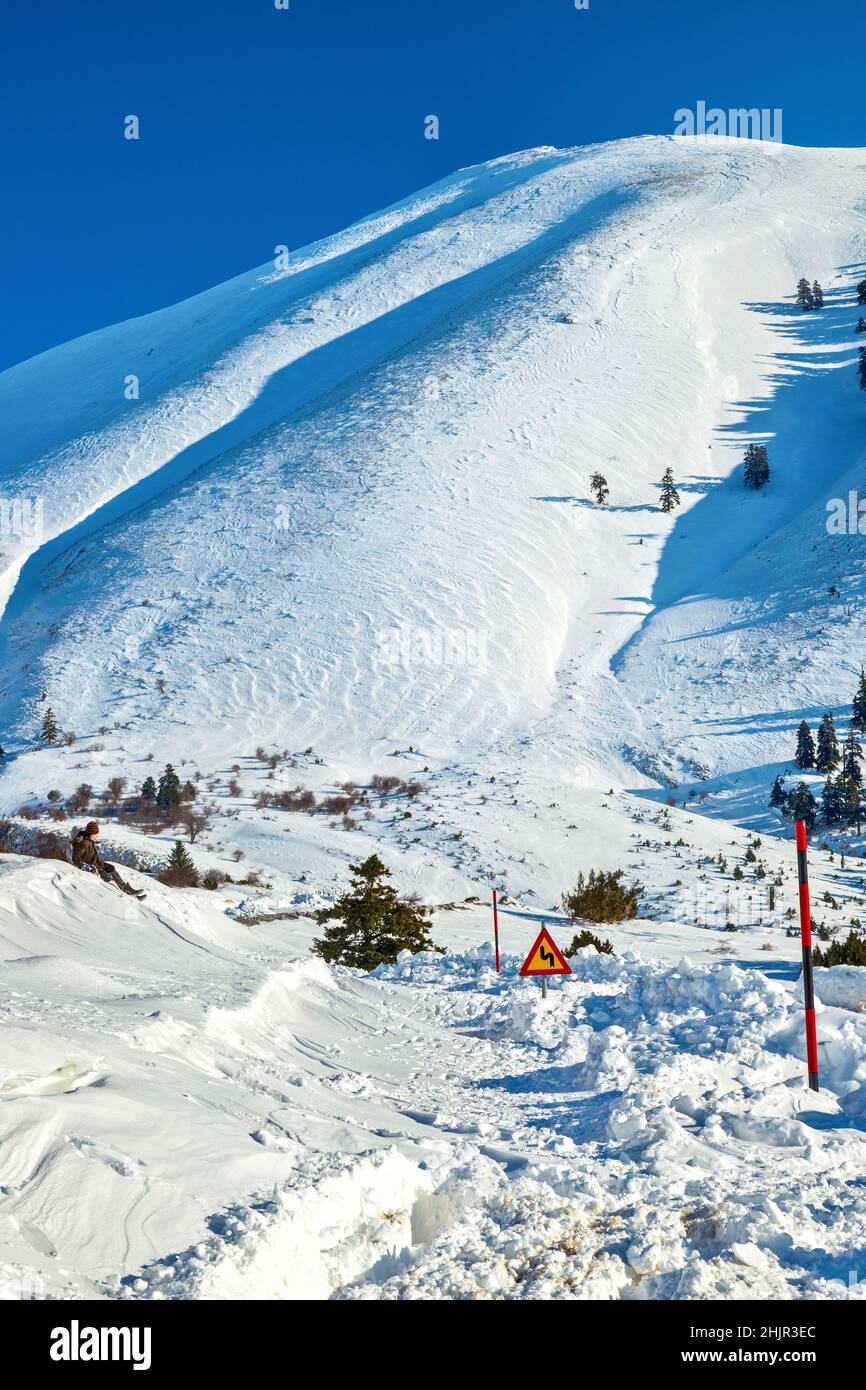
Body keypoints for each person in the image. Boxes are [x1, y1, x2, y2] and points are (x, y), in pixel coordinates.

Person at [71, 822, 146, 899]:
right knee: (108, 878)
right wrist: (84, 866)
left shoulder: (89, 840)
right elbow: (75, 856)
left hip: (98, 864)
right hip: (94, 867)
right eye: (96, 834)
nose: (97, 836)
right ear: (91, 833)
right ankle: (130, 893)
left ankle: (130, 891)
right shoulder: (84, 843)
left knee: (111, 868)